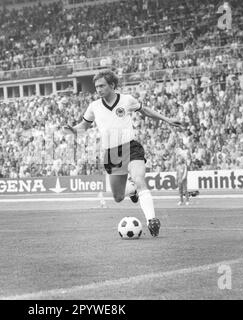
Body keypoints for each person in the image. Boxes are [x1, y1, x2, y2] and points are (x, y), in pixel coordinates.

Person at [64, 70, 182, 237]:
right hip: (112, 154)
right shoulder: (94, 107)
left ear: (112, 85)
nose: (99, 89)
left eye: (102, 85)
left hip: (131, 147)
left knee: (139, 178)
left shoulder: (126, 100)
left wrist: (167, 119)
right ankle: (132, 190)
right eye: (97, 87)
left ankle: (152, 220)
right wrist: (72, 130)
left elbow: (145, 110)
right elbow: (83, 126)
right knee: (118, 197)